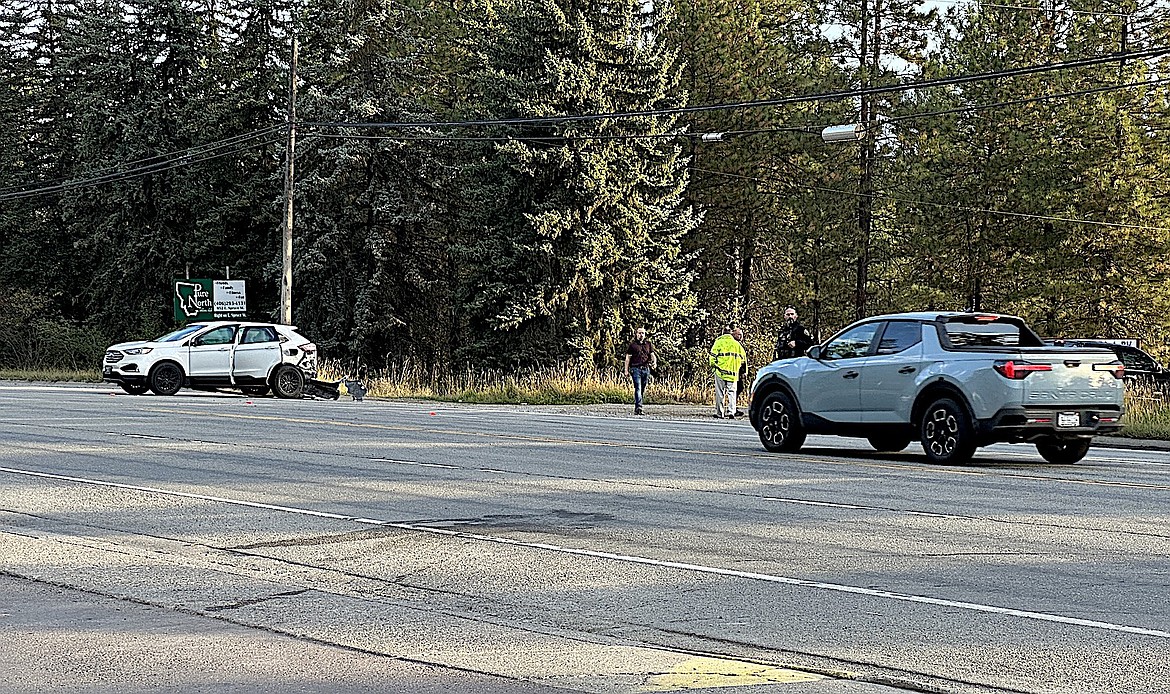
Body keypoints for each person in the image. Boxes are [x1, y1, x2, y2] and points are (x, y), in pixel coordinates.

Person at [709, 327, 746, 419]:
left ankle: (720, 413)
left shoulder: (718, 342)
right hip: (733, 373)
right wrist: (742, 371)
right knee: (732, 393)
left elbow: (712, 358)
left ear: (722, 333)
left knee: (720, 393)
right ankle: (731, 412)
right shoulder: (737, 345)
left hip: (720, 372)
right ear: (731, 334)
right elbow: (743, 360)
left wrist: (714, 366)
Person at [623, 326, 657, 415]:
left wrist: (654, 363)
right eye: (639, 333)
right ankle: (639, 408)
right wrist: (626, 370)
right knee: (638, 387)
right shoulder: (632, 345)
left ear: (645, 334)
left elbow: (652, 355)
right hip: (635, 369)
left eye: (643, 333)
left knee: (642, 388)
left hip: (646, 369)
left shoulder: (648, 344)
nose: (641, 335)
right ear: (636, 334)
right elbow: (627, 358)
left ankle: (638, 405)